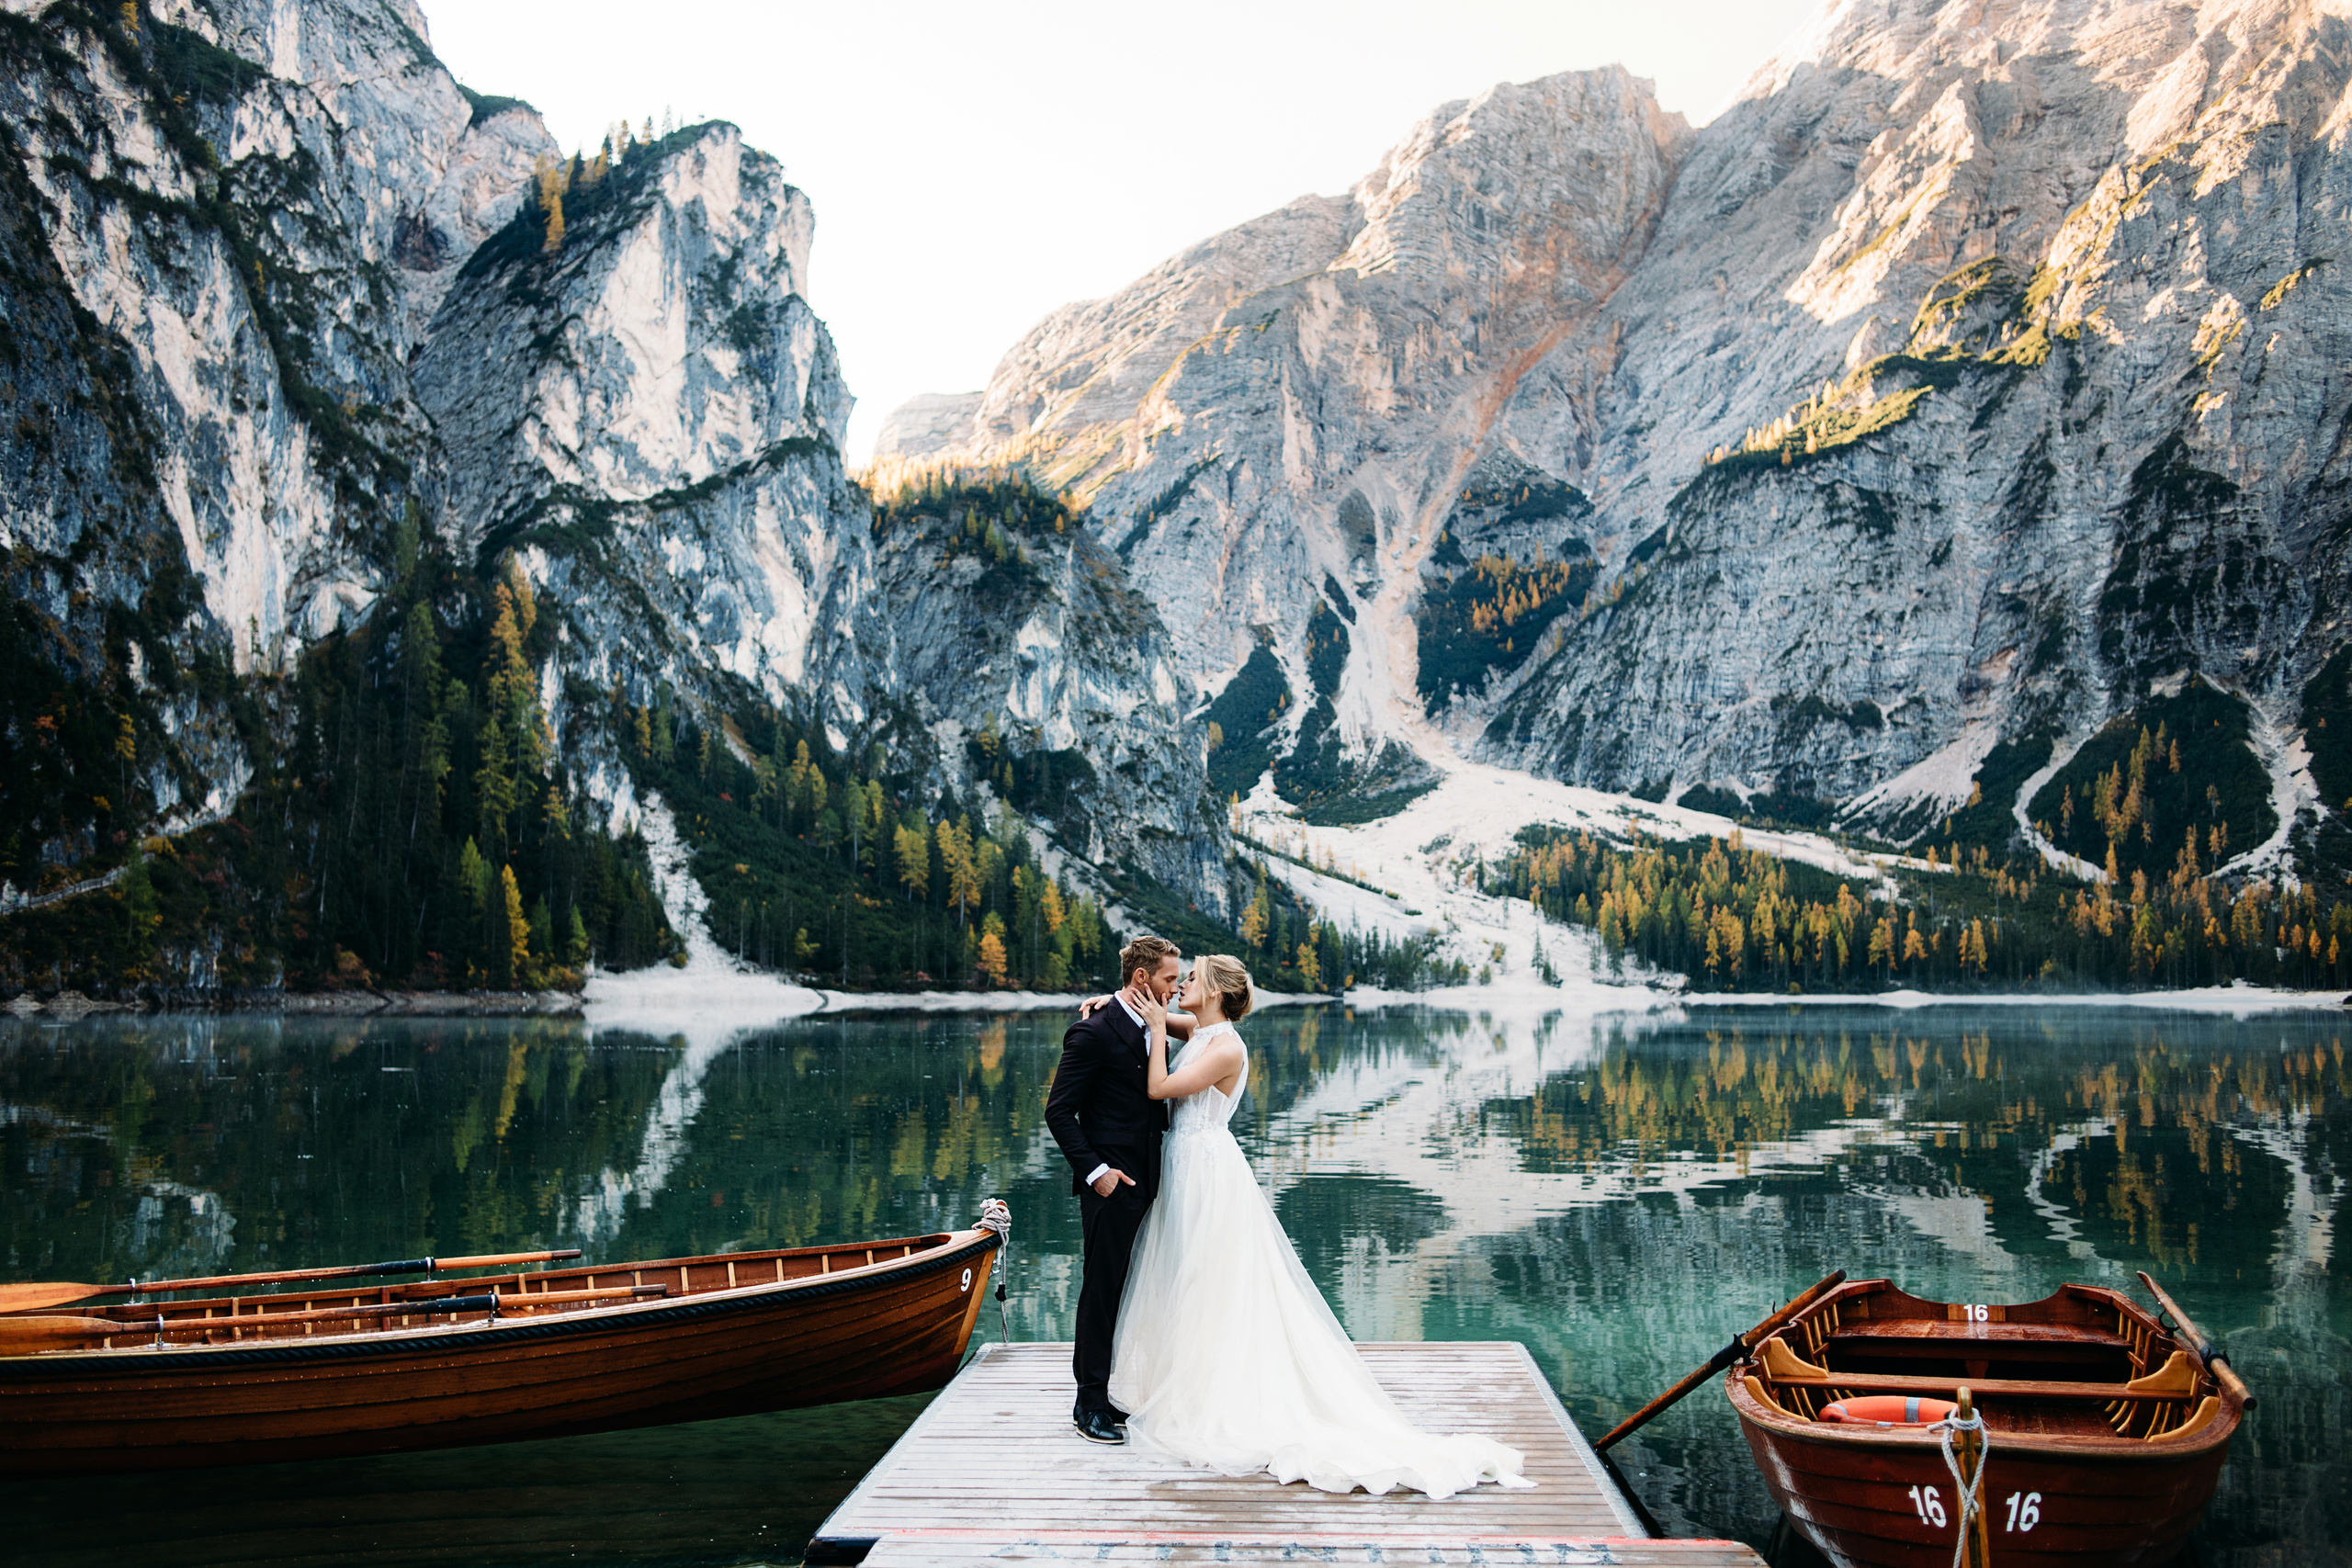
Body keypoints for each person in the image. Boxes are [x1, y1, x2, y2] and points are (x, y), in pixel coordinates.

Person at [1105, 954, 1532, 1498]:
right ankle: (1184, 1379)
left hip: (1207, 1171)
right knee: (1183, 1275)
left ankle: (1210, 1393)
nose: (1183, 983)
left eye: (1193, 977)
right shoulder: (1203, 1030)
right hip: (1186, 1164)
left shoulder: (1227, 1046)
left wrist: (1156, 1029)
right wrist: (1113, 1005)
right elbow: (1159, 1018)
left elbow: (1159, 1089)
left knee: (1206, 1277)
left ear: (1213, 991)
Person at [1043, 933, 1191, 1444]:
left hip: (1149, 1176)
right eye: (1170, 979)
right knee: (1102, 1291)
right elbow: (1058, 1112)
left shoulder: (1152, 1020)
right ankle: (1089, 1405)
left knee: (1127, 1287)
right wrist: (1096, 1172)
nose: (1175, 988)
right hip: (1112, 1184)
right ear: (1142, 977)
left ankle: (1105, 1397)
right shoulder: (1092, 1032)